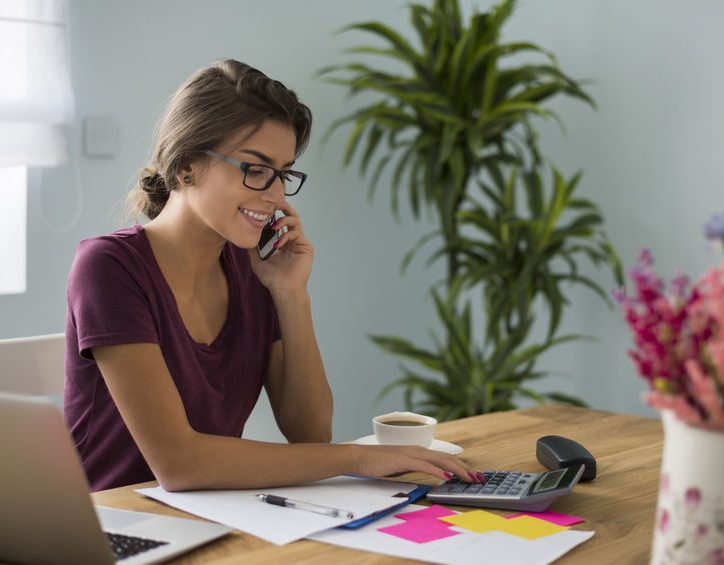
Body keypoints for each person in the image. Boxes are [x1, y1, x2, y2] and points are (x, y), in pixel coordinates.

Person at [63, 59, 479, 492]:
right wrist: (359, 456)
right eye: (256, 170)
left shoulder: (254, 267)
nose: (276, 195)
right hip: (112, 526)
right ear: (186, 165)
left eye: (282, 174)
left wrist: (290, 293)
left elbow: (309, 432)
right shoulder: (108, 267)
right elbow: (179, 463)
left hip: (213, 513)